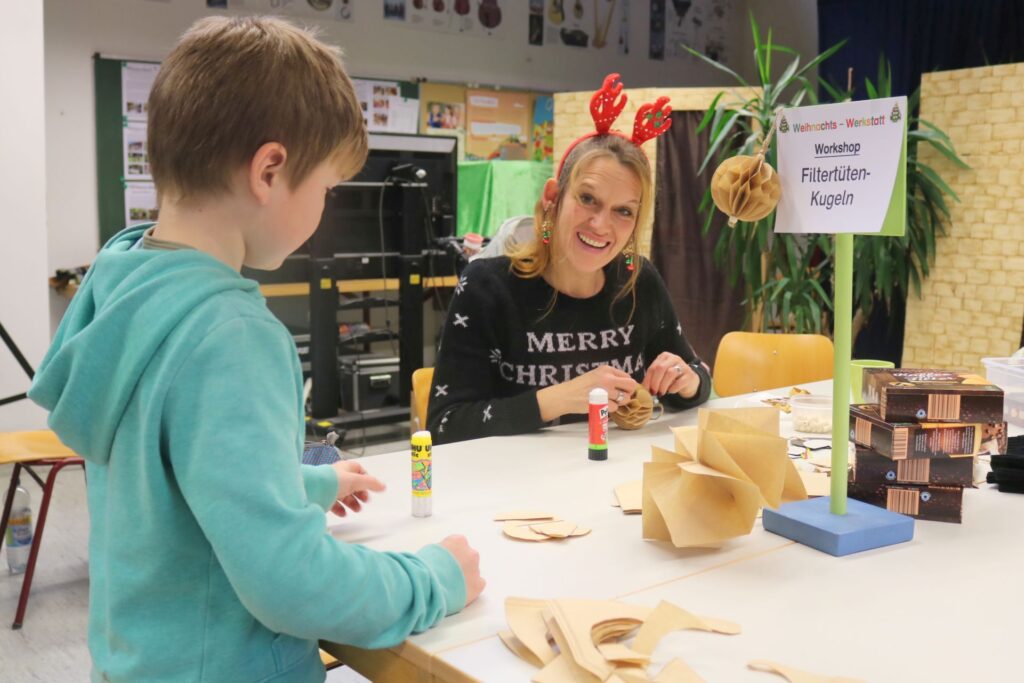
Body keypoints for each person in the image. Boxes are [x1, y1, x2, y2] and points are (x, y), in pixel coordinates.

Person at [29, 16, 483, 682]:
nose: (325, 208)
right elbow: (291, 583)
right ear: (270, 170)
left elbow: (165, 488)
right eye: (326, 187)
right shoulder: (232, 334)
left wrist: (308, 483)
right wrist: (433, 577)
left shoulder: (125, 281)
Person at [427, 74, 711, 444]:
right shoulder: (487, 286)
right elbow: (446, 425)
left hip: (613, 485)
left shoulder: (638, 281)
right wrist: (559, 398)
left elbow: (694, 381)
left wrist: (687, 381)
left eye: (623, 211)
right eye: (588, 199)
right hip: (517, 490)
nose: (600, 224)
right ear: (553, 198)